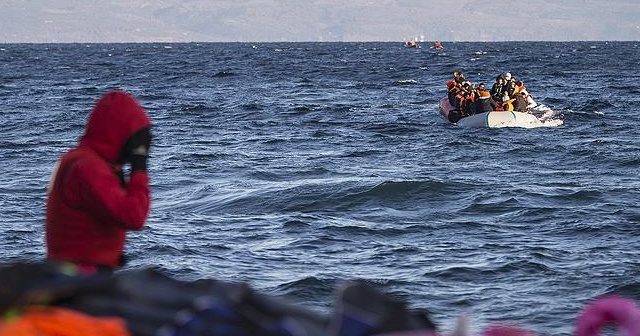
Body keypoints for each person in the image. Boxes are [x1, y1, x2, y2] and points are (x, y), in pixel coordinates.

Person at [45, 90, 153, 273]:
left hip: (69, 270)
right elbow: (133, 216)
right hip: (79, 275)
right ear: (120, 133)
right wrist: (139, 166)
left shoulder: (81, 159)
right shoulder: (89, 168)